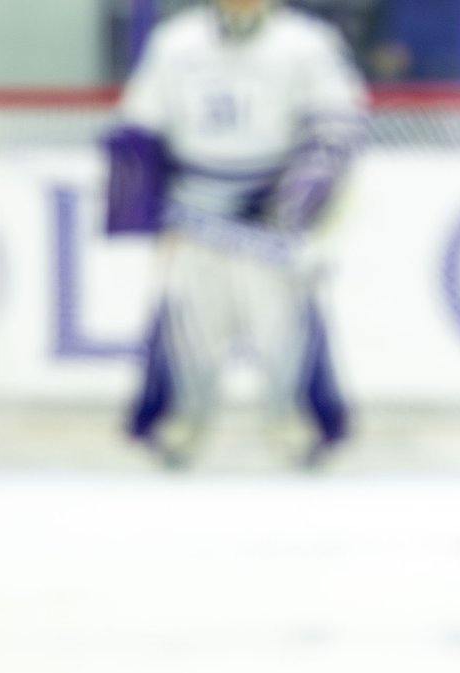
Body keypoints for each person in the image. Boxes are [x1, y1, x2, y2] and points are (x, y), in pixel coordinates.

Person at [104, 0, 369, 466]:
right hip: (195, 212)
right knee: (187, 329)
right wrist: (144, 210)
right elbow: (141, 127)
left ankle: (298, 426)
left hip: (270, 216)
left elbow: (337, 123)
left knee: (285, 330)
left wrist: (297, 201)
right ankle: (178, 425)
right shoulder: (175, 42)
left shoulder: (308, 43)